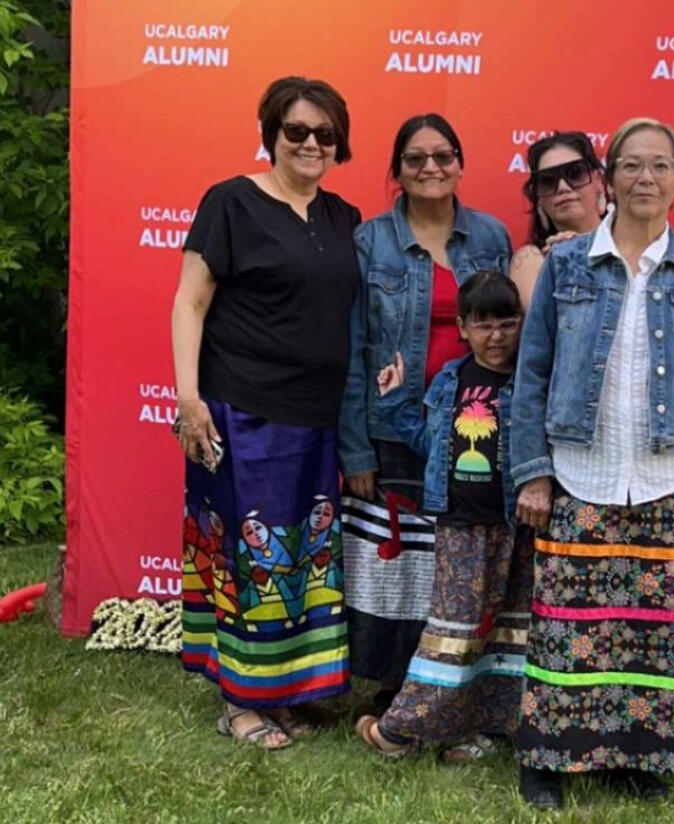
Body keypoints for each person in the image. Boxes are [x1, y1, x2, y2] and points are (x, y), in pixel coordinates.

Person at [510, 117, 674, 809]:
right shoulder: (565, 263)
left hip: (670, 479)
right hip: (581, 473)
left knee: (653, 632)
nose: (647, 178)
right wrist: (532, 470)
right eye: (632, 165)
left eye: (662, 167)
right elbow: (532, 375)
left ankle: (642, 756)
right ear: (608, 178)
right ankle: (549, 761)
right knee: (565, 628)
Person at [172, 76, 360, 749]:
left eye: (324, 134)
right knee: (247, 559)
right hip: (239, 412)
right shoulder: (231, 203)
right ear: (272, 134)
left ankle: (287, 691)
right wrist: (188, 400)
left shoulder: (344, 217)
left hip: (319, 419)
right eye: (297, 131)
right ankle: (239, 702)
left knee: (300, 560)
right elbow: (190, 302)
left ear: (339, 143)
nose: (311, 143)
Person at [338, 114, 512, 714]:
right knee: (403, 567)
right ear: (398, 172)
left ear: (460, 164)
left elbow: (507, 334)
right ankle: (398, 688)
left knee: (459, 562)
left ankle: (457, 684)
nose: (430, 168)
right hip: (394, 423)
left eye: (442, 156)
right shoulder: (371, 242)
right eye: (415, 159)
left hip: (474, 429)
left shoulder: (491, 237)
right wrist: (355, 448)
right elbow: (355, 346)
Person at [355, 271, 532, 762]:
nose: (495, 337)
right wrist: (392, 399)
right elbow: (426, 440)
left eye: (506, 324)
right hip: (457, 524)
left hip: (514, 526)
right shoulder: (451, 379)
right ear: (462, 327)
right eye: (482, 325)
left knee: (508, 630)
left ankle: (483, 730)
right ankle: (400, 728)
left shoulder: (529, 380)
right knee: (454, 629)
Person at [509, 132, 606, 309]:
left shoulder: (631, 249)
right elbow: (548, 329)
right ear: (538, 197)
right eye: (548, 180)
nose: (563, 187)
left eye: (575, 173)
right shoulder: (531, 260)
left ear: (599, 181)